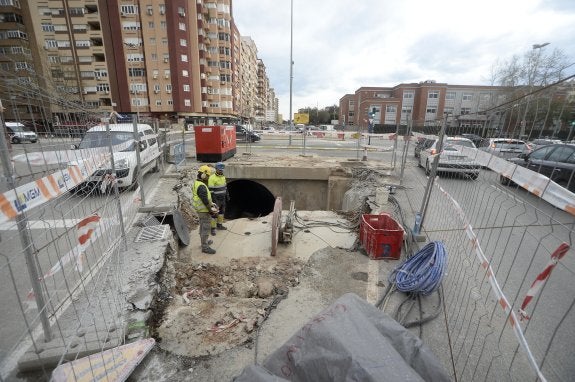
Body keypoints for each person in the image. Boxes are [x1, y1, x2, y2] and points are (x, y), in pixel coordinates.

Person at [192, 165, 218, 254]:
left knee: (203, 227)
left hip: (201, 210)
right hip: (204, 211)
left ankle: (204, 242)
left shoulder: (197, 183)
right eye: (207, 176)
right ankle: (205, 247)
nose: (208, 178)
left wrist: (212, 204)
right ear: (203, 175)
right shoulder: (202, 186)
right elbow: (204, 200)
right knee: (206, 228)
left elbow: (204, 198)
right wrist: (211, 210)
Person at [208, 162, 228, 235]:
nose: (221, 171)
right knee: (214, 214)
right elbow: (211, 191)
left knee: (221, 212)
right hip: (216, 199)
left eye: (222, 170)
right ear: (216, 169)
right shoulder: (212, 178)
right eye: (220, 170)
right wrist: (214, 200)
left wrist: (227, 195)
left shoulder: (223, 177)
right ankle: (213, 228)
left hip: (222, 198)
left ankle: (219, 225)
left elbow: (225, 187)